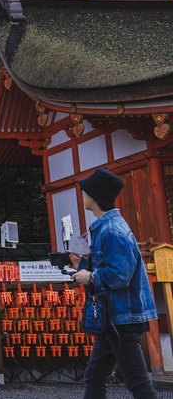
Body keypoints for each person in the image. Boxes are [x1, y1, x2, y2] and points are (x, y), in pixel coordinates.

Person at [69, 168, 158, 399]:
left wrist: (89, 276)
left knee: (136, 382)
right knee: (95, 376)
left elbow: (120, 275)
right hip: (113, 317)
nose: (82, 195)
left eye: (84, 191)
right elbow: (111, 267)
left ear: (94, 197)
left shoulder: (111, 230)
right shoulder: (108, 227)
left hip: (121, 318)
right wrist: (83, 265)